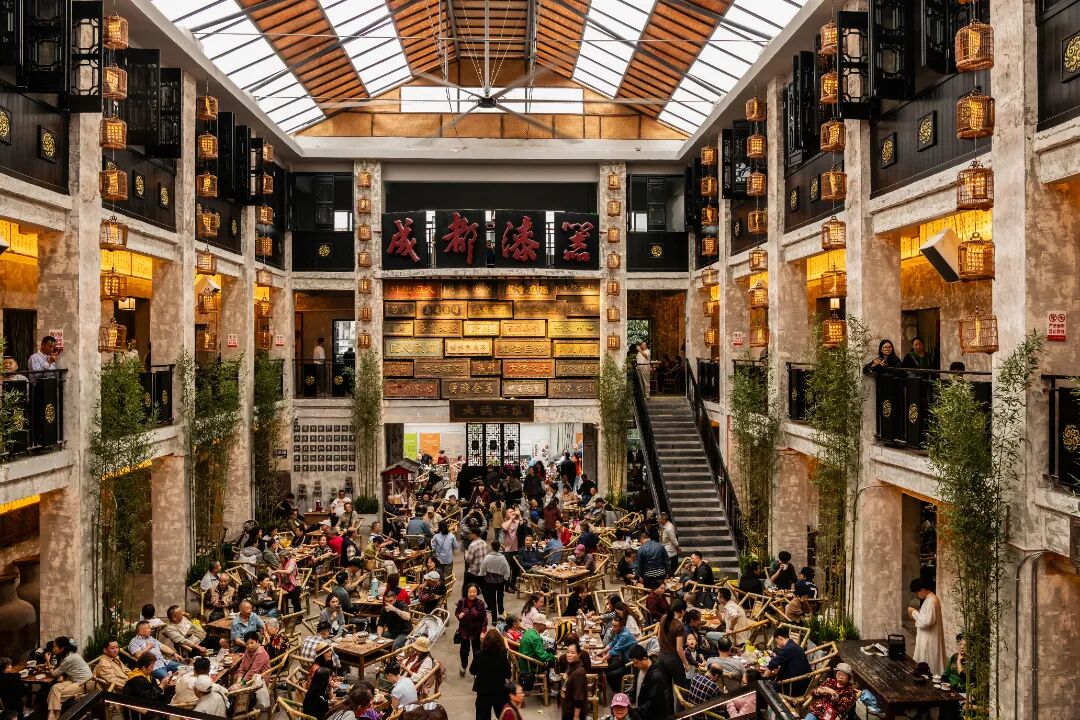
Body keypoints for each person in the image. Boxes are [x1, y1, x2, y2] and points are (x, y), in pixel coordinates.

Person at [44, 637, 93, 720]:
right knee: (55, 687)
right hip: (75, 680)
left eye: (55, 646)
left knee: (57, 696)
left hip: (85, 683)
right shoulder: (69, 654)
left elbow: (53, 674)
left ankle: (53, 716)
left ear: (62, 648)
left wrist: (48, 661)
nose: (53, 649)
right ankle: (52, 714)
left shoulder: (69, 658)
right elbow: (61, 670)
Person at [471, 629, 511, 720]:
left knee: (482, 716)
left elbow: (472, 671)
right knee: (503, 715)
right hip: (499, 691)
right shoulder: (502, 656)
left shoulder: (478, 655)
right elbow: (508, 674)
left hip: (483, 691)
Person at [909, 578, 946, 674]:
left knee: (928, 663)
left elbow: (927, 622)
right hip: (927, 637)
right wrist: (914, 616)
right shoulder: (929, 599)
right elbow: (925, 619)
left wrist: (914, 612)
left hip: (929, 639)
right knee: (926, 662)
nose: (917, 595)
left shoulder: (931, 601)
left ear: (922, 589)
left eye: (917, 592)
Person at [763, 626, 812, 696]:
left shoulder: (787, 649)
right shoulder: (795, 646)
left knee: (765, 687)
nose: (777, 644)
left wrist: (764, 680)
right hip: (805, 683)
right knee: (776, 676)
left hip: (794, 687)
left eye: (777, 641)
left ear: (780, 638)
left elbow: (771, 664)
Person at [628, 644, 672, 720]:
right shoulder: (638, 670)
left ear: (644, 659)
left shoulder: (656, 676)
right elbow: (635, 687)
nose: (634, 665)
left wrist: (635, 712)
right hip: (642, 711)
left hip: (653, 715)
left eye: (636, 663)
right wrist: (629, 699)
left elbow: (652, 702)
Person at [456, 584, 489, 677]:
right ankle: (463, 666)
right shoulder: (461, 602)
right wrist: (459, 616)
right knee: (464, 651)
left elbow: (484, 618)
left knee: (477, 652)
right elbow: (457, 612)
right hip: (464, 631)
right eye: (470, 592)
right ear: (467, 592)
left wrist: (483, 631)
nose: (472, 594)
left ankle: (476, 670)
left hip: (476, 631)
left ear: (477, 592)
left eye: (474, 591)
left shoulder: (480, 603)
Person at [657, 600, 689, 688]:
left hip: (661, 657)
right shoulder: (679, 626)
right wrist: (686, 663)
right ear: (682, 611)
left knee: (667, 687)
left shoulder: (664, 617)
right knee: (681, 687)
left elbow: (659, 637)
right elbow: (679, 648)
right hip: (673, 660)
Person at [480, 540, 512, 622]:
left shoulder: (487, 557)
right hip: (500, 581)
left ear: (492, 547)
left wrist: (482, 575)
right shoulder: (502, 558)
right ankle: (501, 615)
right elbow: (507, 569)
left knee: (492, 600)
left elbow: (483, 568)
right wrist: (506, 578)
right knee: (500, 598)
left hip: (489, 582)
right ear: (499, 548)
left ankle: (494, 619)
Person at [376, 582, 413, 649]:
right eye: (386, 601)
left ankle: (393, 655)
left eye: (390, 601)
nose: (388, 603)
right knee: (377, 641)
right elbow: (380, 625)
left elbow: (407, 617)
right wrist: (379, 636)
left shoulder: (401, 604)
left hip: (404, 633)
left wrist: (393, 609)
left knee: (394, 645)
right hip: (391, 632)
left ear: (395, 598)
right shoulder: (384, 609)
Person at [561, 641, 589, 720]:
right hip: (568, 707)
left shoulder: (578, 673)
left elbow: (579, 697)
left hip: (573, 712)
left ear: (579, 654)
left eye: (572, 653)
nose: (569, 655)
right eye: (568, 652)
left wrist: (576, 716)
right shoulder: (571, 666)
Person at [464, 527, 490, 596]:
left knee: (466, 589)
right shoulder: (484, 543)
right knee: (485, 590)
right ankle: (490, 603)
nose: (469, 534)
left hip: (474, 571)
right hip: (483, 570)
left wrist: (466, 552)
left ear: (475, 534)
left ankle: (466, 602)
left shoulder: (472, 545)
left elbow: (468, 559)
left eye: (471, 533)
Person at [276, 547, 302, 613]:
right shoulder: (281, 565)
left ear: (286, 557)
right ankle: (284, 613)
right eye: (279, 558)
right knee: (279, 597)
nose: (280, 559)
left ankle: (298, 615)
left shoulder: (292, 563)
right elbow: (279, 576)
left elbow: (288, 571)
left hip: (295, 585)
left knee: (294, 599)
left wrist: (278, 571)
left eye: (281, 558)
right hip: (285, 586)